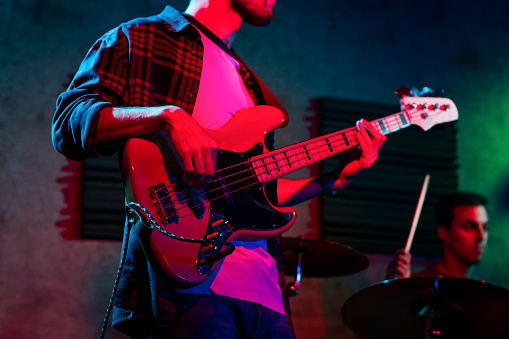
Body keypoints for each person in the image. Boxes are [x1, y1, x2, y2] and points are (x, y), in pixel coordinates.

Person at [52, 1, 386, 338]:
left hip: (268, 298)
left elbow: (254, 193)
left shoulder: (252, 85)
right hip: (192, 295)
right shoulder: (142, 38)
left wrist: (331, 181)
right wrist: (167, 116)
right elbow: (68, 122)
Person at [386, 191, 489, 279]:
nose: (481, 237)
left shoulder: (487, 294)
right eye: (469, 227)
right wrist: (399, 290)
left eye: (484, 227)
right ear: (443, 232)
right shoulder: (420, 287)